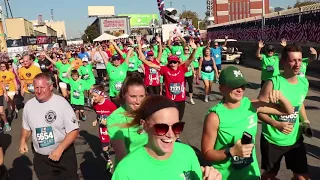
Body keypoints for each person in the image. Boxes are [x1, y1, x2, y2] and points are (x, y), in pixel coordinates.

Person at [201, 66, 294, 180]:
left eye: (242, 85)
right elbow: (207, 153)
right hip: (225, 176)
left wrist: (281, 97)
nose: (240, 89)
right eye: (234, 86)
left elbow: (287, 111)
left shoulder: (251, 105)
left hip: (251, 174)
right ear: (222, 88)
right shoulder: (214, 116)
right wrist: (231, 152)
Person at [113, 95, 222, 180]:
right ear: (144, 125)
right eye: (161, 128)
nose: (170, 134)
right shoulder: (126, 169)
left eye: (177, 127)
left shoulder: (187, 153)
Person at [258, 45, 310, 180]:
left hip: (295, 139)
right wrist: (275, 124)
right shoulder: (273, 83)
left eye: (299, 60)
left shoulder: (304, 83)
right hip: (273, 139)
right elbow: (258, 110)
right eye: (293, 60)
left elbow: (300, 103)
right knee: (270, 175)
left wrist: (305, 121)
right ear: (284, 61)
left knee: (302, 177)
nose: (298, 64)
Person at [19, 73, 79, 180]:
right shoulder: (29, 105)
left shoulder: (62, 103)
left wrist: (59, 149)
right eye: (36, 87)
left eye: (42, 87)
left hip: (63, 155)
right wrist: (23, 141)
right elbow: (26, 127)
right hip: (41, 158)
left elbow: (73, 130)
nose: (38, 91)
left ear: (51, 87)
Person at [138, 37, 198, 121]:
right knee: (171, 119)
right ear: (168, 63)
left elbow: (190, 59)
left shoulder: (182, 68)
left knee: (179, 119)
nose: (173, 64)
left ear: (178, 63)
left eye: (174, 62)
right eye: (171, 62)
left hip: (181, 99)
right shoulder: (165, 69)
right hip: (170, 100)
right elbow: (151, 65)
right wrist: (143, 59)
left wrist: (195, 49)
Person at [107, 75, 148, 168]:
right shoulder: (115, 118)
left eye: (142, 96)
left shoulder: (151, 112)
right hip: (129, 168)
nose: (138, 101)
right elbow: (122, 156)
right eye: (133, 96)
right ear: (123, 95)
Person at [100, 40, 134, 105]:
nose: (116, 61)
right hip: (113, 95)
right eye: (114, 60)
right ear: (112, 61)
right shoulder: (110, 67)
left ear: (120, 60)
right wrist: (100, 50)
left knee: (124, 111)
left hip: (123, 93)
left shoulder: (124, 66)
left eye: (118, 59)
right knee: (116, 110)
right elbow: (104, 59)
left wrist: (133, 45)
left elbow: (128, 55)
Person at [91, 85, 117, 172]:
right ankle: (109, 161)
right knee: (104, 148)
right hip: (103, 129)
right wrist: (96, 120)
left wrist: (109, 122)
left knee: (117, 146)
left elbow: (117, 117)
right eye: (92, 96)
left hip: (112, 129)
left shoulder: (110, 105)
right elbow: (98, 113)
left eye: (95, 96)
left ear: (101, 95)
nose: (93, 98)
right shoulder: (95, 105)